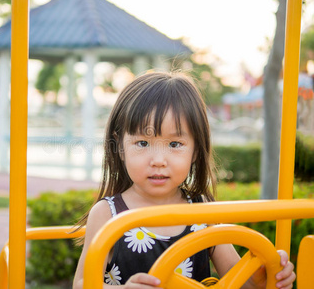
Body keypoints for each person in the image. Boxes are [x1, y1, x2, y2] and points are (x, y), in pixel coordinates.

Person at [73, 72, 295, 289]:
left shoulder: (202, 212)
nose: (158, 160)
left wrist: (264, 276)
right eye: (142, 143)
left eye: (174, 144)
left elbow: (240, 279)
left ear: (196, 150)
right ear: (120, 147)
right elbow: (82, 283)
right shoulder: (108, 214)